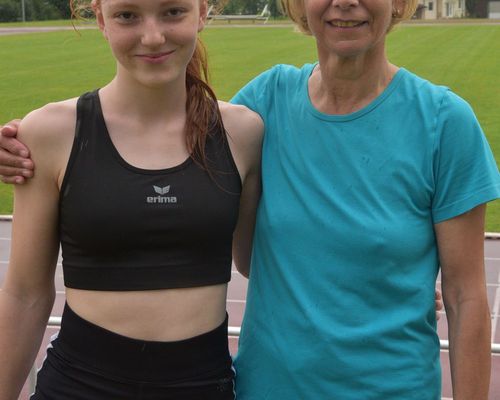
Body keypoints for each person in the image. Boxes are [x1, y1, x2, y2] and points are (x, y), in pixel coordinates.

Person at [0, 0, 486, 399]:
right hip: (249, 388)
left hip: (366, 388)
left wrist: (387, 285)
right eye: (128, 15)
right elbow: (166, 157)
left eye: (172, 13)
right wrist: (18, 147)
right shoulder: (266, 103)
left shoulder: (441, 123)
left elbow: (466, 295)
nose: (346, 3)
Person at [0, 0, 263, 398]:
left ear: (203, 13)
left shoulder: (243, 133)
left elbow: (252, 261)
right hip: (78, 386)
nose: (153, 36)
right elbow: (25, 295)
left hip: (201, 385)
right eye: (128, 15)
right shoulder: (49, 133)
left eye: (173, 12)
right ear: (102, 19)